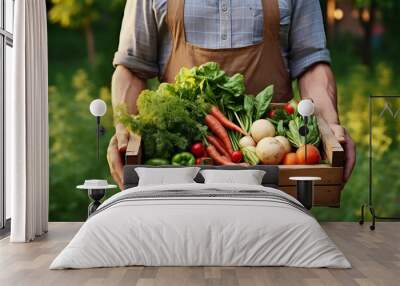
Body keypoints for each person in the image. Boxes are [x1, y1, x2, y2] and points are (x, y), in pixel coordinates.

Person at [107, 0, 356, 190]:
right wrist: (124, 128)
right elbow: (132, 67)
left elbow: (311, 63)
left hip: (273, 162)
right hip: (180, 157)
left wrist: (330, 127)